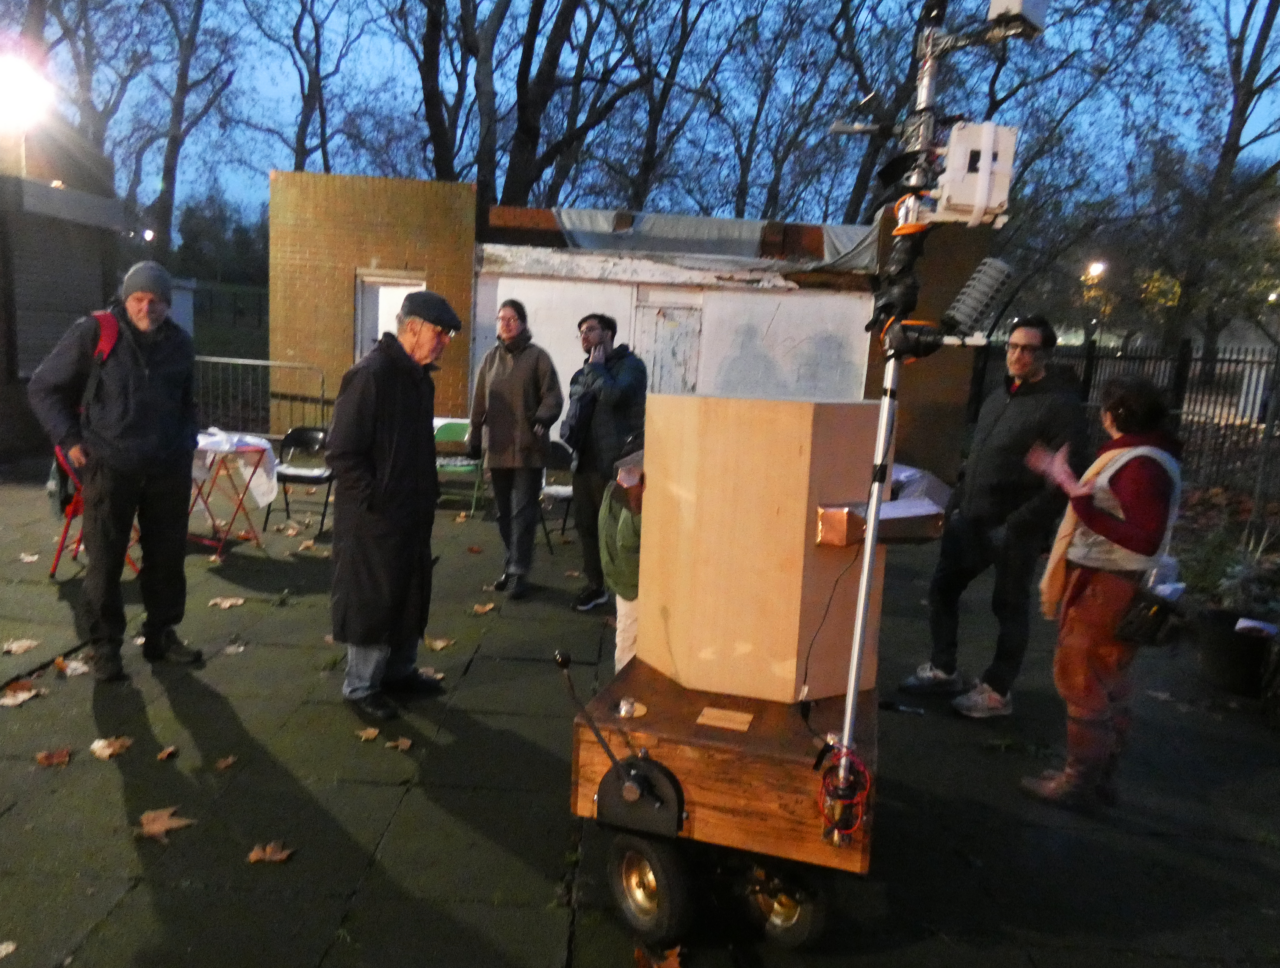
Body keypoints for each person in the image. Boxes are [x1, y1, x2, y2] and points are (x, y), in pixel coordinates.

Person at [900, 315, 1087, 717]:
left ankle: (997, 690)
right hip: (971, 517)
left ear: (1046, 354)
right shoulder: (999, 395)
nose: (1018, 355)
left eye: (1029, 349)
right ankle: (943, 668)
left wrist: (1021, 523)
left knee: (1009, 607)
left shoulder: (1060, 408)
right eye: (1013, 347)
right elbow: (981, 453)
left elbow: (1064, 480)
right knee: (943, 589)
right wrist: (957, 501)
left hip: (1014, 527)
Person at [28, 261, 201, 682]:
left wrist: (186, 443)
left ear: (168, 304)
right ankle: (104, 647)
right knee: (104, 562)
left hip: (166, 469)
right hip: (110, 466)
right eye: (139, 299)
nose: (148, 308)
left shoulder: (180, 344)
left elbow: (186, 402)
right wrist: (70, 439)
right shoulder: (96, 333)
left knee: (167, 558)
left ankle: (161, 634)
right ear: (127, 299)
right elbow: (43, 386)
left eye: (156, 301)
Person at [1022, 376, 1181, 809]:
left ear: (1114, 415)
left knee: (1083, 679)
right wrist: (1069, 483)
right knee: (1107, 680)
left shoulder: (1141, 463)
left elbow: (1143, 537)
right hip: (1113, 580)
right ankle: (1097, 779)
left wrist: (1082, 504)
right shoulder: (1143, 456)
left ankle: (1079, 782)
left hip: (1108, 584)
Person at [327, 291, 462, 720]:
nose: (445, 342)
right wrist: (376, 500)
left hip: (410, 510)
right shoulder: (371, 376)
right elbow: (342, 452)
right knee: (374, 598)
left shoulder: (419, 379)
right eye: (441, 332)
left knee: (407, 592)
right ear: (413, 328)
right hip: (375, 518)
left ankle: (399, 672)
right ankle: (361, 686)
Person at [468, 298, 563, 600]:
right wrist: (474, 435)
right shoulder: (489, 360)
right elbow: (479, 401)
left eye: (512, 319)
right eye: (501, 319)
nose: (506, 324)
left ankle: (519, 571)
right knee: (503, 513)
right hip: (497, 446)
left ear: (522, 323)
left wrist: (543, 418)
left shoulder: (538, 358)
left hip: (527, 448)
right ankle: (512, 564)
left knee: (523, 512)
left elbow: (553, 396)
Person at [563, 313, 646, 612]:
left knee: (616, 530)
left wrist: (597, 371)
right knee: (586, 526)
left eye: (591, 329)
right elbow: (576, 399)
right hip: (584, 460)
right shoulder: (584, 371)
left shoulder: (631, 366)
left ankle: (625, 589)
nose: (584, 336)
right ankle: (596, 586)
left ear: (608, 333)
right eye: (581, 332)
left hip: (617, 462)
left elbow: (614, 396)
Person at [599, 434, 645, 671]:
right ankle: (625, 687)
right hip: (630, 582)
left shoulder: (628, 474)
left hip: (621, 572)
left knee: (629, 639)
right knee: (629, 645)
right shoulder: (638, 494)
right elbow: (626, 542)